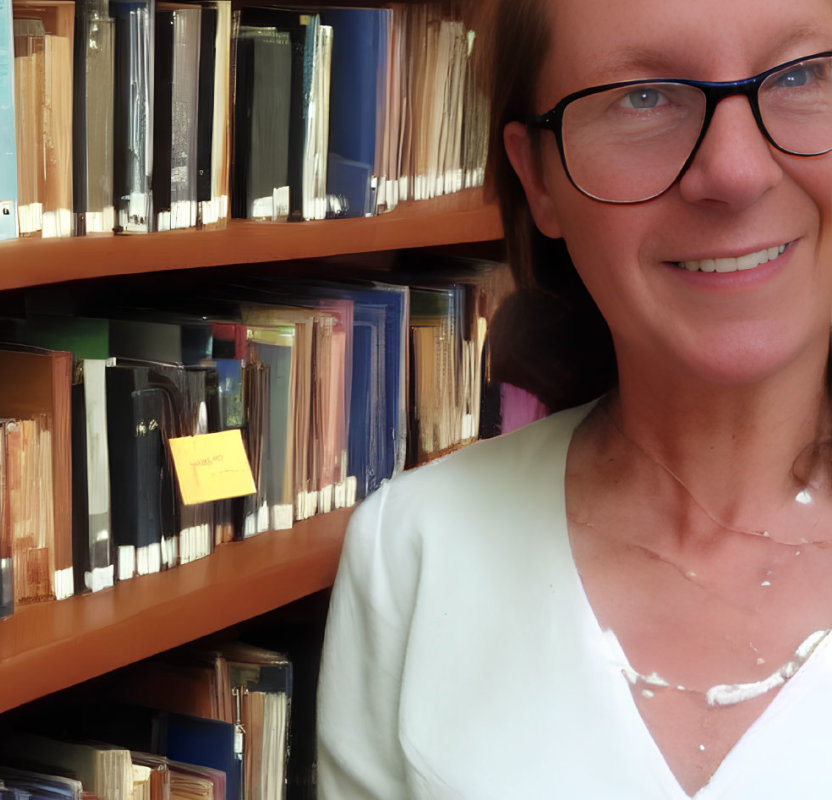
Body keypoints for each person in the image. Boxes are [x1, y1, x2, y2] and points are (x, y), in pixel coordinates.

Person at [315, 0, 832, 796]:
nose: (736, 171)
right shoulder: (415, 550)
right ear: (537, 179)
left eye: (804, 74)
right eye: (645, 96)